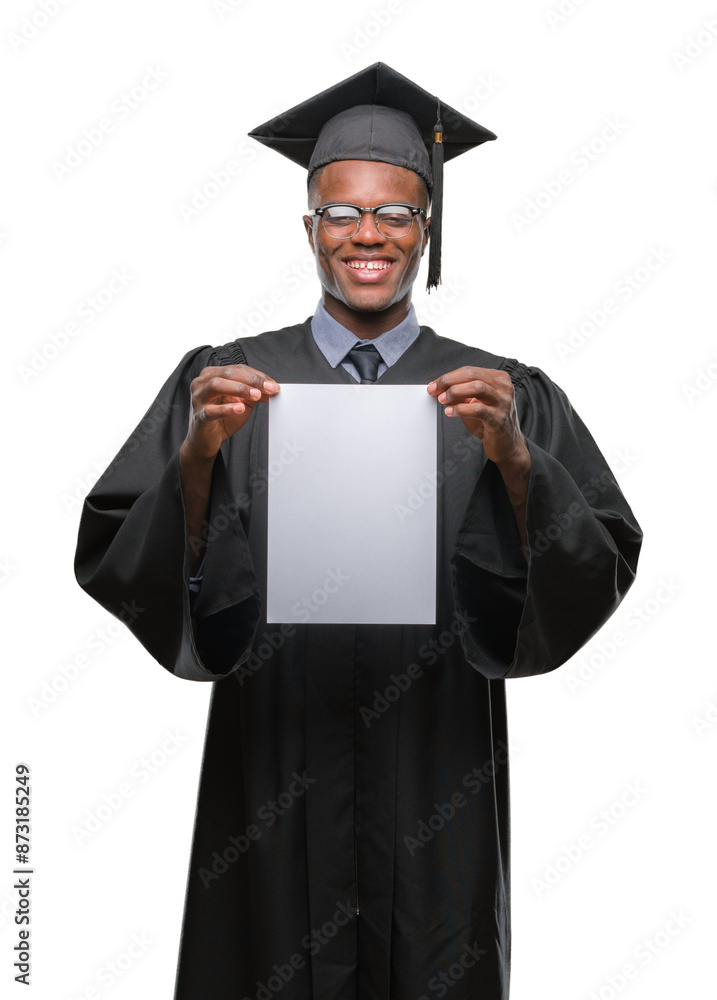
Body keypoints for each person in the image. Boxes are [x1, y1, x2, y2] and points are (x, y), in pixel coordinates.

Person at [74, 63, 642, 1000]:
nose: (367, 235)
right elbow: (115, 558)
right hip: (270, 767)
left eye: (396, 213)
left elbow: (599, 562)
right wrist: (197, 460)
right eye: (341, 213)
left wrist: (514, 462)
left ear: (428, 229)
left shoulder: (502, 392)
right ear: (309, 226)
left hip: (437, 767)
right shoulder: (224, 382)